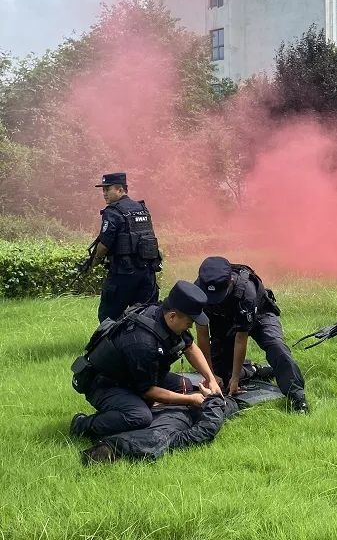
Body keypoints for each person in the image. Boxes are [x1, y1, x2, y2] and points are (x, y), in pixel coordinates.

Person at [69, 281, 222, 438]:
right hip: (104, 384)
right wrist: (190, 400)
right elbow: (148, 390)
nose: (189, 328)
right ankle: (82, 425)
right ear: (172, 316)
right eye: (189, 323)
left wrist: (211, 379)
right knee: (139, 417)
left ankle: (137, 404)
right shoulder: (143, 342)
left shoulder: (164, 315)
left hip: (132, 374)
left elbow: (189, 347)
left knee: (186, 386)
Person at [194, 257, 309, 413]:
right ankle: (255, 370)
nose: (213, 300)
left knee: (276, 347)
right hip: (224, 321)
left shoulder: (246, 291)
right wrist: (211, 375)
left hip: (260, 315)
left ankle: (297, 397)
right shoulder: (198, 292)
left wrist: (236, 378)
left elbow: (240, 339)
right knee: (222, 378)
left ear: (230, 282)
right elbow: (202, 335)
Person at [80, 383, 238, 465]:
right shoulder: (161, 440)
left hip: (160, 405)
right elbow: (206, 429)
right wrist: (214, 399)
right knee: (230, 403)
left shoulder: (155, 439)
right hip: (181, 407)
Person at [90, 172, 161, 322]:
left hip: (123, 273)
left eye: (107, 189)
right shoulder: (142, 208)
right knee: (146, 316)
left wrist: (95, 260)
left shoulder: (112, 211)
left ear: (120, 189)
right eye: (103, 190)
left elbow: (104, 244)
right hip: (147, 272)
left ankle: (112, 339)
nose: (104, 193)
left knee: (109, 318)